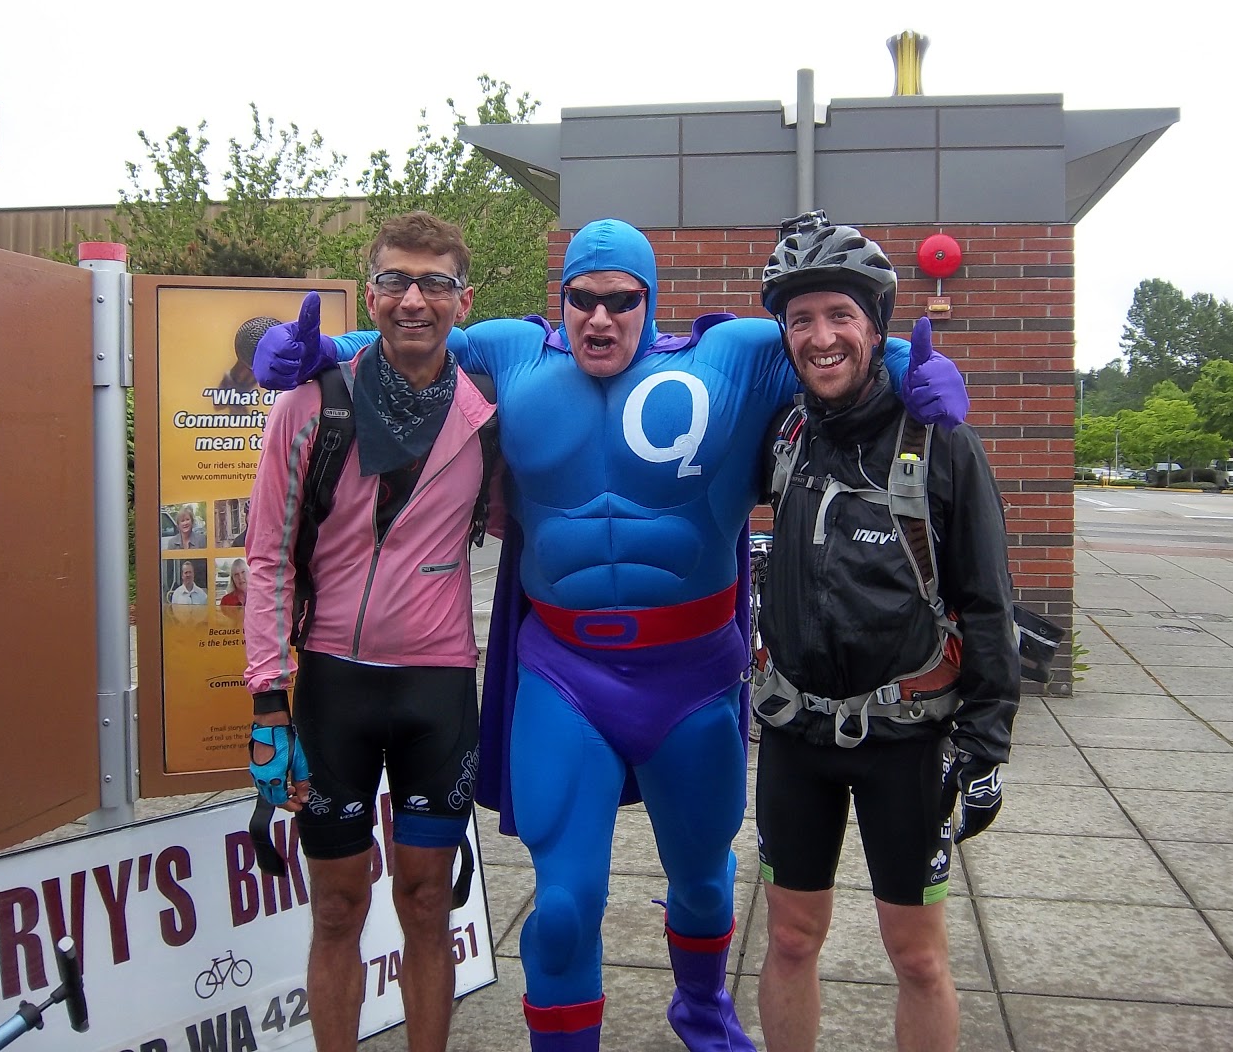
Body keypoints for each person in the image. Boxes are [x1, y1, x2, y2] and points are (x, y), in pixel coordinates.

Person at [254, 217, 969, 1051]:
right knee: (561, 908)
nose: (600, 317)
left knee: (704, 883)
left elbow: (834, 346)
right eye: (582, 299)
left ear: (650, 299)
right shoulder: (515, 355)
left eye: (622, 300)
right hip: (565, 675)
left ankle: (701, 1006)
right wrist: (313, 351)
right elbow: (412, 333)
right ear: (561, 300)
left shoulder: (729, 357)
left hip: (692, 678)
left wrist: (915, 370)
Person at [750, 218, 1018, 1052]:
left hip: (907, 740)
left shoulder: (940, 439)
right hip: (795, 733)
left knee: (919, 958)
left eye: (841, 315)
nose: (821, 337)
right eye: (801, 320)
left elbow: (988, 601)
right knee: (790, 938)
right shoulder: (785, 434)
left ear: (876, 327)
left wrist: (986, 740)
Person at [243, 211, 498, 1052]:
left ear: (464, 299)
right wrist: (267, 699)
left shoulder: (487, 415)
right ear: (371, 291)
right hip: (333, 687)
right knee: (336, 907)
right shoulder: (313, 404)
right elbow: (268, 556)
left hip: (437, 688)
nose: (413, 300)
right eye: (394, 280)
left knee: (427, 904)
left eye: (434, 283)